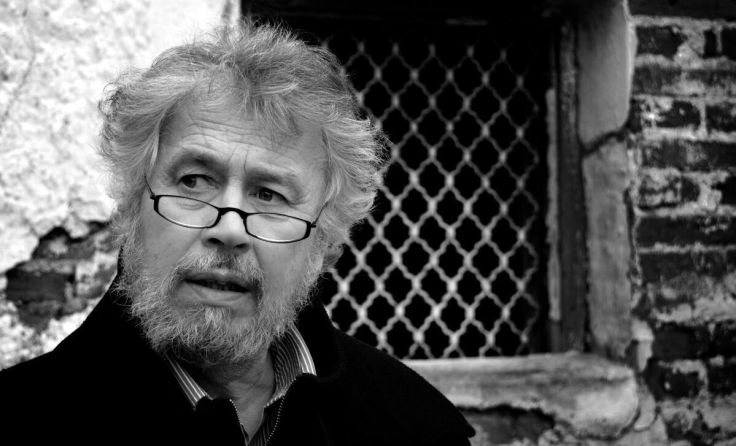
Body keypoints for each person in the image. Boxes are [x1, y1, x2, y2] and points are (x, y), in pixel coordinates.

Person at [0, 21, 474, 445]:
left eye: (269, 194)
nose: (228, 228)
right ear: (131, 208)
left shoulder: (415, 428)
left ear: (325, 238)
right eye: (193, 182)